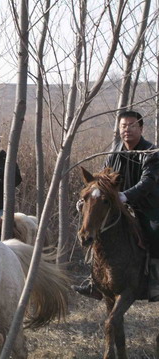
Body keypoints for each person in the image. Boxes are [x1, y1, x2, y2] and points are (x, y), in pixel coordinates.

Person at [73, 110, 159, 302]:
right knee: (95, 230)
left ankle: (155, 282)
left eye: (132, 125)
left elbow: (148, 182)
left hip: (149, 208)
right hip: (118, 206)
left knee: (155, 231)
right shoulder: (114, 154)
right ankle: (95, 282)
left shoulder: (151, 153)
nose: (127, 129)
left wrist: (125, 196)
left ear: (141, 128)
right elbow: (101, 179)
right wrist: (88, 196)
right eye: (123, 126)